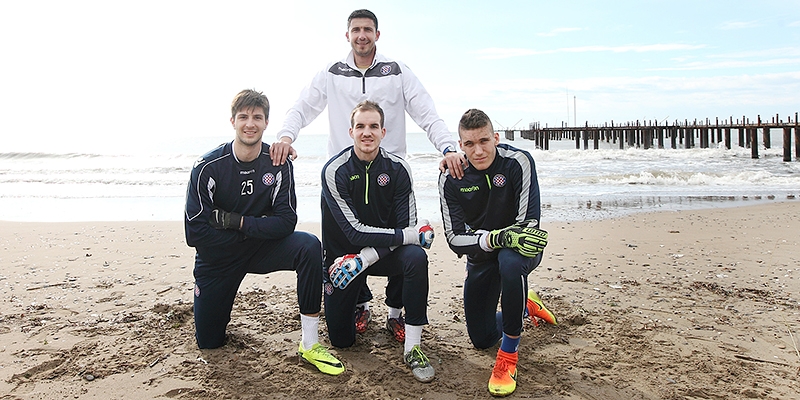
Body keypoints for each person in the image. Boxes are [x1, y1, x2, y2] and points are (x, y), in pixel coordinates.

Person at [270, 8, 467, 337]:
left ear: (377, 34)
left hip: (389, 178)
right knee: (341, 244)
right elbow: (302, 107)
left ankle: (395, 313)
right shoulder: (332, 72)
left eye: (368, 29)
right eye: (356, 29)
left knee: (400, 243)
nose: (362, 35)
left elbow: (425, 111)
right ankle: (359, 305)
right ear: (347, 35)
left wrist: (447, 148)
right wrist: (286, 137)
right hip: (341, 178)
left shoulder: (397, 71)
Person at [184, 89, 344, 376]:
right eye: (243, 117)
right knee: (209, 342)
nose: (250, 123)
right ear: (232, 121)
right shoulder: (207, 167)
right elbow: (195, 233)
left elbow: (286, 222)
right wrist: (257, 227)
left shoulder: (277, 161)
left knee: (308, 246)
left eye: (257, 117)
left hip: (260, 249)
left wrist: (237, 222)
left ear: (266, 123)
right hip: (218, 259)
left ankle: (309, 342)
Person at [438, 108, 558, 396]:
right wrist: (495, 237)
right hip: (481, 256)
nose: (478, 151)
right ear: (460, 145)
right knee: (480, 338)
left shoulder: (518, 162)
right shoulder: (452, 178)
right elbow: (455, 239)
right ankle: (526, 307)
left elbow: (528, 225)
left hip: (520, 251)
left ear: (496, 137)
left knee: (510, 260)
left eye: (483, 141)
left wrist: (504, 238)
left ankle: (508, 355)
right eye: (469, 144)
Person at [321, 100, 436, 383]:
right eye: (360, 126)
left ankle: (409, 339)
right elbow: (354, 233)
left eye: (373, 126)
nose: (367, 132)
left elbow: (406, 229)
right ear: (350, 132)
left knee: (415, 257)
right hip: (344, 261)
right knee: (341, 341)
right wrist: (409, 236)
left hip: (384, 256)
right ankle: (361, 306)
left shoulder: (398, 170)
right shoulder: (335, 170)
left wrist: (369, 256)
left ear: (384, 132)